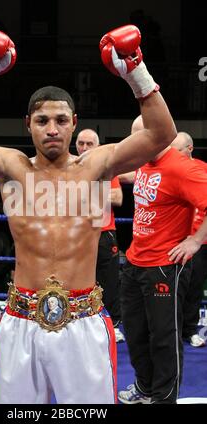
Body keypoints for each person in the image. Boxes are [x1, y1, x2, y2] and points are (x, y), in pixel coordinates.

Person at [0, 25, 178, 404]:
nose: (52, 129)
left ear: (74, 123)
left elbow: (162, 134)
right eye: (42, 121)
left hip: (82, 321)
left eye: (61, 120)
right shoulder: (11, 168)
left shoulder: (96, 166)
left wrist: (135, 68)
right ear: (27, 125)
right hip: (21, 320)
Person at [118, 117, 207, 404]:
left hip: (165, 266)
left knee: (164, 338)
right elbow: (136, 174)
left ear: (156, 136)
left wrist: (194, 240)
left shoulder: (183, 167)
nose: (134, 144)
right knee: (134, 333)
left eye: (138, 138)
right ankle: (145, 388)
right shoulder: (145, 161)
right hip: (134, 262)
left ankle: (163, 399)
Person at [76, 129, 125, 343]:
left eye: (89, 144)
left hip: (104, 232)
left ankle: (113, 325)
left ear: (97, 146)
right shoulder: (69, 167)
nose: (85, 148)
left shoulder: (106, 167)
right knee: (78, 280)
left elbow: (117, 198)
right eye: (81, 143)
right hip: (78, 234)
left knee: (109, 282)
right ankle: (80, 322)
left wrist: (81, 192)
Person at [171, 132, 207, 347]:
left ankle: (190, 330)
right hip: (176, 238)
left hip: (199, 240)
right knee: (173, 288)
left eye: (178, 151)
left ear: (190, 148)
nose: (173, 156)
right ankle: (173, 332)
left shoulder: (203, 170)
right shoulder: (170, 171)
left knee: (194, 287)